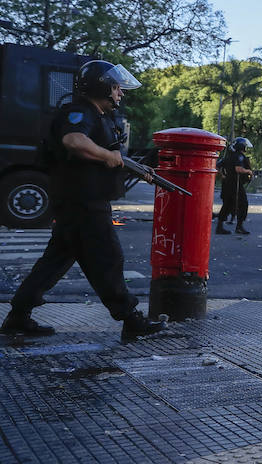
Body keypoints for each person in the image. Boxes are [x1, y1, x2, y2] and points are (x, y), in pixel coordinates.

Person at [1, 60, 164, 340]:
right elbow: (74, 141)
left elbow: (101, 152)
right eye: (115, 88)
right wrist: (109, 156)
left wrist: (133, 166)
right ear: (100, 86)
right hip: (84, 202)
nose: (120, 94)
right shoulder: (79, 111)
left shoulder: (97, 115)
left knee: (54, 262)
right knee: (108, 259)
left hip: (77, 202)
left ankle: (18, 315)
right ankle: (131, 319)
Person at [215, 137, 253, 235]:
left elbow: (217, 166)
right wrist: (248, 171)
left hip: (227, 183)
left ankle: (219, 227)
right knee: (243, 204)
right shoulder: (239, 156)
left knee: (227, 205)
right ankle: (239, 226)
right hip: (236, 184)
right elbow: (238, 169)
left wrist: (223, 175)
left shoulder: (229, 156)